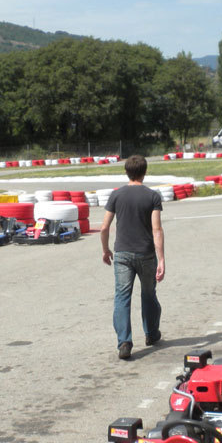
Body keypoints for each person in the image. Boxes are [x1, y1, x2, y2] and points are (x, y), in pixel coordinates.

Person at [99, 154, 165, 360]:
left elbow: (104, 227)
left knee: (122, 297)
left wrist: (105, 250)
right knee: (148, 294)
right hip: (146, 253)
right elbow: (157, 229)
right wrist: (161, 259)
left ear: (126, 172)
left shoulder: (116, 195)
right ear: (144, 172)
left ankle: (124, 342)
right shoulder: (152, 196)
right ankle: (151, 333)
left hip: (122, 254)